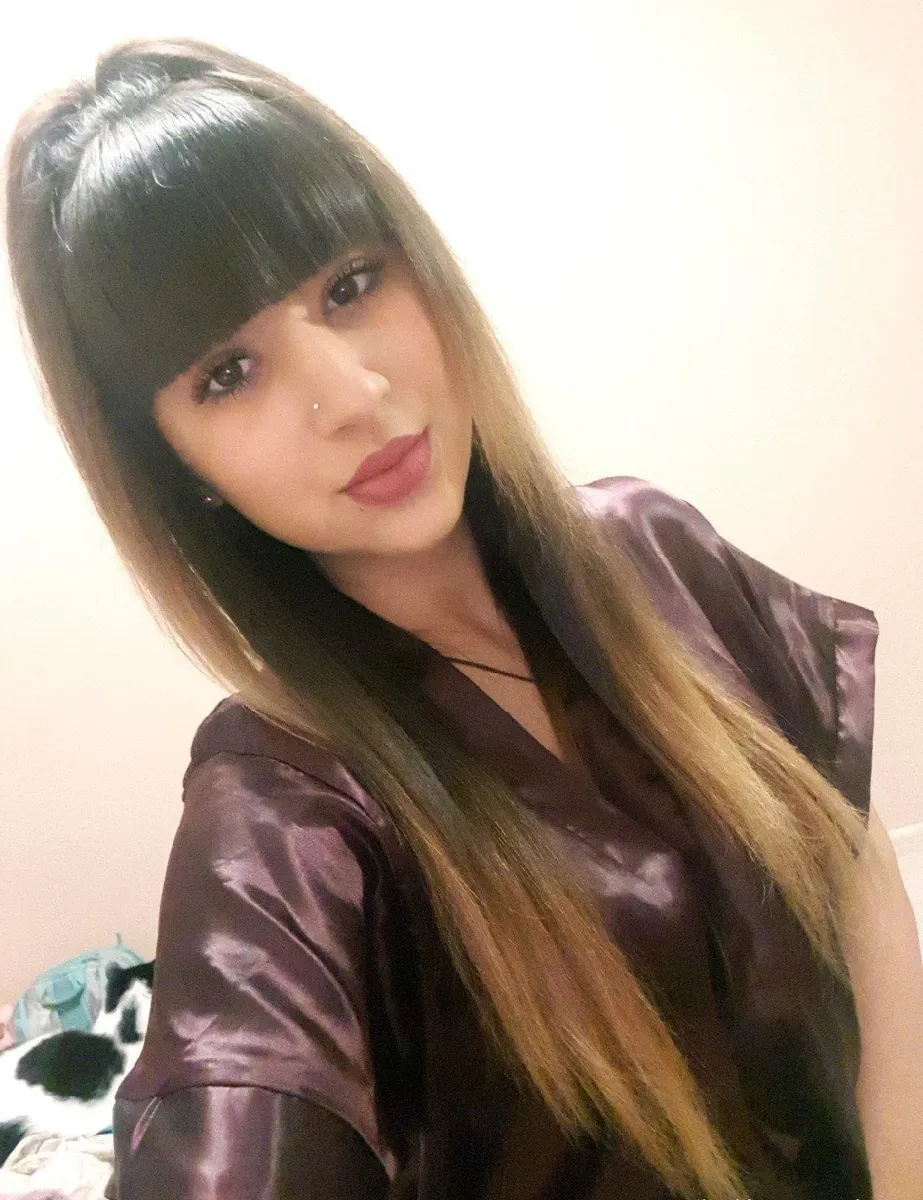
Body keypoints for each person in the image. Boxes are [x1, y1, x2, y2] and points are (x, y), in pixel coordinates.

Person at [4, 35, 922, 1200]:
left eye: (349, 285)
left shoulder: (649, 547)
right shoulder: (283, 811)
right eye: (228, 373)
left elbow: (849, 853)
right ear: (175, 464)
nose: (352, 395)